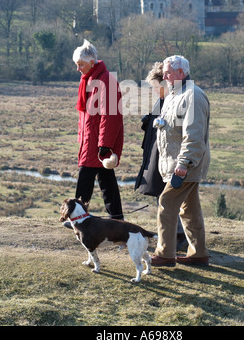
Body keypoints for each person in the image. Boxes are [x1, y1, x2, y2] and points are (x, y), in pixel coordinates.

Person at [151, 55, 210, 267]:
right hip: (179, 166)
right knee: (190, 209)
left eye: (167, 72)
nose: (164, 75)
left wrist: (183, 164)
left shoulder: (193, 96)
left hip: (185, 166)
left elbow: (194, 137)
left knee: (166, 203)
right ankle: (198, 254)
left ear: (181, 73)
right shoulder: (174, 94)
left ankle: (165, 254)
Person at [135, 62, 187, 250]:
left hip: (167, 156)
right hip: (159, 155)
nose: (155, 91)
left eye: (157, 87)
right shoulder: (165, 100)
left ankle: (177, 234)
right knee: (163, 196)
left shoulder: (174, 100)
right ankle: (171, 233)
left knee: (169, 197)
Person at [70, 39, 124, 221]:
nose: (78, 69)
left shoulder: (105, 80)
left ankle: (77, 218)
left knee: (85, 177)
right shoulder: (88, 79)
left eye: (81, 65)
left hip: (97, 141)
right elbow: (85, 115)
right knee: (106, 181)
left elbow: (110, 116)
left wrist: (105, 144)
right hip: (91, 139)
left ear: (92, 63)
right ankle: (117, 218)